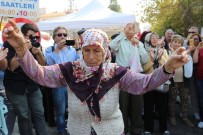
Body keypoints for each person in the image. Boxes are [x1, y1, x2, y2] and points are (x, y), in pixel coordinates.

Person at [3, 19, 189, 135]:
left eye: (96, 51)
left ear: (105, 50)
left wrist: (167, 68)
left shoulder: (115, 71)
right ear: (81, 50)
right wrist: (21, 49)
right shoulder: (70, 69)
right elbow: (40, 74)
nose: (91, 56)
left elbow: (144, 83)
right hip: (78, 130)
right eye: (87, 50)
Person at [3, 22, 47, 135]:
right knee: (24, 116)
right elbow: (11, 67)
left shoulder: (36, 44)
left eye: (36, 37)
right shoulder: (9, 44)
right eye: (31, 36)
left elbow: (43, 66)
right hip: (16, 87)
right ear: (22, 35)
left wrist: (39, 54)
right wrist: (22, 49)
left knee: (39, 113)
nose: (34, 39)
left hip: (33, 85)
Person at [110, 22, 148, 135]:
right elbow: (111, 46)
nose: (131, 30)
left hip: (136, 75)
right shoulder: (120, 41)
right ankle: (123, 129)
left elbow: (145, 59)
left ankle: (136, 129)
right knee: (123, 104)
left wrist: (138, 46)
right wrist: (123, 33)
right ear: (125, 29)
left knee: (137, 104)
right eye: (128, 28)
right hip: (123, 74)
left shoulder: (139, 43)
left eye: (133, 28)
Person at [45, 26, 80, 135]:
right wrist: (58, 50)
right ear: (54, 37)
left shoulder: (73, 50)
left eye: (65, 34)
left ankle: (72, 130)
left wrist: (78, 49)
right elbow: (50, 65)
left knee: (74, 110)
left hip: (72, 84)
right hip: (58, 85)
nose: (62, 37)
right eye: (59, 35)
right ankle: (61, 131)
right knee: (60, 111)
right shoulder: (49, 50)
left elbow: (79, 65)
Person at [142, 32, 170, 135]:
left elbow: (167, 66)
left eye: (156, 37)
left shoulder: (164, 51)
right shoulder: (144, 51)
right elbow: (144, 68)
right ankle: (148, 129)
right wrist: (152, 59)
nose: (154, 39)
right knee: (148, 106)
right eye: (152, 37)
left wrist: (160, 57)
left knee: (162, 107)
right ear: (148, 39)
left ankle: (164, 129)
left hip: (161, 82)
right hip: (149, 82)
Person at [168, 35, 195, 128]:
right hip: (172, 80)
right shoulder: (168, 52)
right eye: (175, 42)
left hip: (184, 80)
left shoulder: (185, 53)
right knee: (172, 99)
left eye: (179, 42)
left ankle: (185, 117)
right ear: (171, 43)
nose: (177, 43)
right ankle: (172, 117)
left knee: (185, 99)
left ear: (181, 44)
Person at [193, 41, 203, 128]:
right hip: (200, 78)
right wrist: (197, 48)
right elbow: (195, 60)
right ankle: (202, 119)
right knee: (201, 100)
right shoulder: (200, 48)